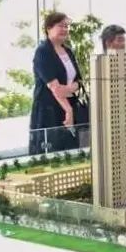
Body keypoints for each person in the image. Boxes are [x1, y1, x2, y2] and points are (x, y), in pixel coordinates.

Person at [29, 12, 83, 154]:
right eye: (60, 26)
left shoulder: (68, 51)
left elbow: (79, 81)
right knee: (50, 153)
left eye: (66, 26)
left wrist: (69, 88)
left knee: (71, 151)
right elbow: (55, 88)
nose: (65, 29)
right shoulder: (43, 51)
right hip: (49, 111)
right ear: (48, 28)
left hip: (69, 107)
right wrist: (68, 110)